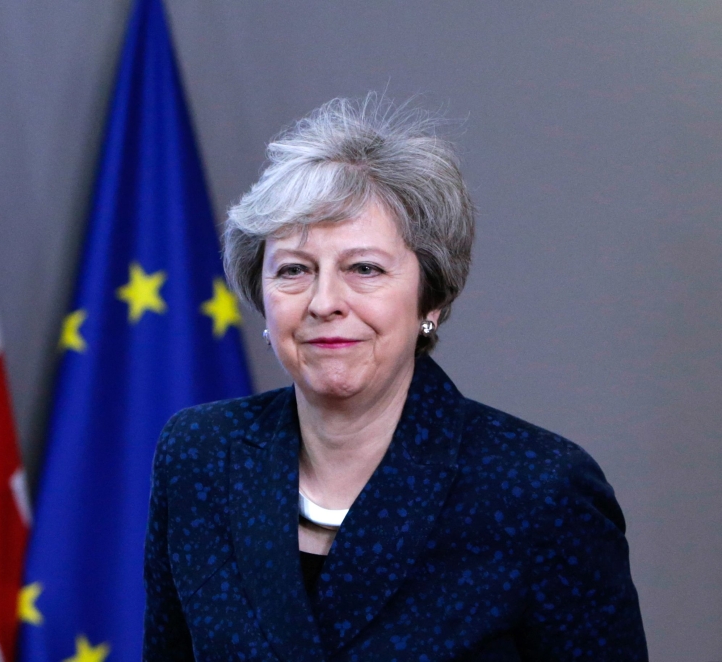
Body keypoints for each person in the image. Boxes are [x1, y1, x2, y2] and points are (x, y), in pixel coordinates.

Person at [143, 95, 647, 661]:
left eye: (365, 269)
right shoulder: (200, 455)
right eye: (293, 270)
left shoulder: (537, 489)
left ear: (429, 297)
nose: (324, 302)